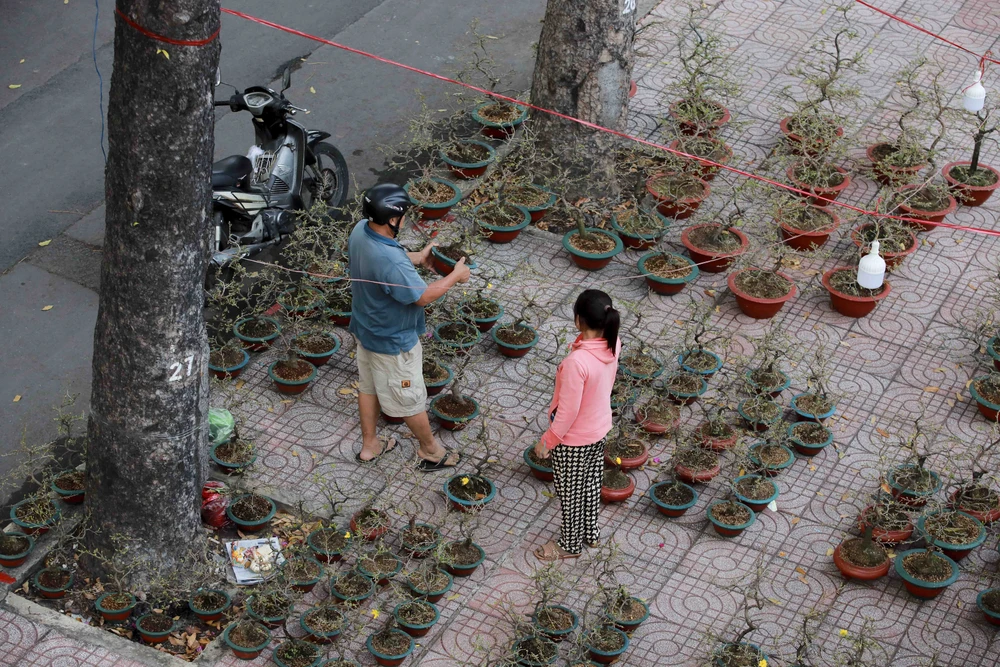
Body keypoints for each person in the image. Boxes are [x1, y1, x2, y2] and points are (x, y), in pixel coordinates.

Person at [348, 183, 469, 468]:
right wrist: (455, 276)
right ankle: (431, 451)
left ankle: (370, 445)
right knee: (409, 399)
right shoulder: (389, 260)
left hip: (366, 330)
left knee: (369, 387)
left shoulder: (360, 230)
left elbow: (388, 265)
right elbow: (422, 296)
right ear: (392, 219)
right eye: (404, 216)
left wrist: (417, 257)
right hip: (393, 342)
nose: (406, 220)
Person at [532, 289, 621, 561]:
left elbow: (568, 412)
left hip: (573, 440)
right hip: (600, 428)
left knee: (570, 493)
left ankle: (570, 545)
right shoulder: (614, 343)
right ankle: (590, 534)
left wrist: (547, 441)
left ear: (578, 320)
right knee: (591, 483)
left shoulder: (576, 363)